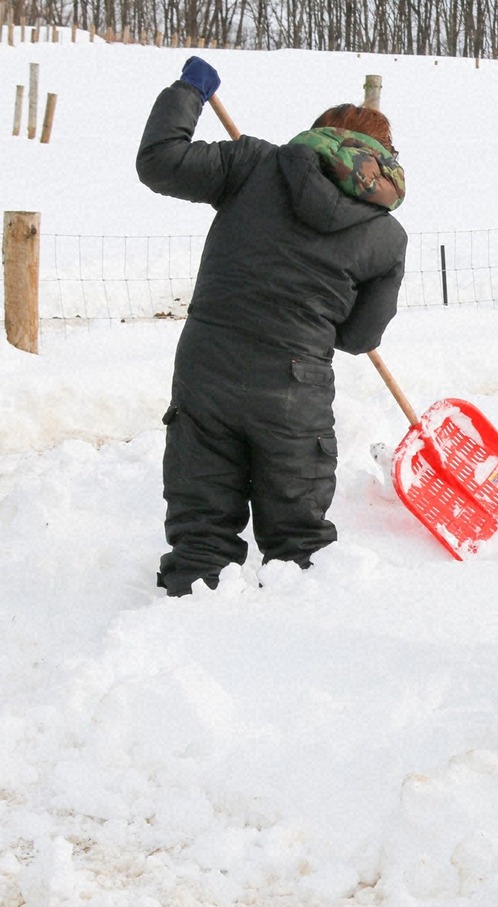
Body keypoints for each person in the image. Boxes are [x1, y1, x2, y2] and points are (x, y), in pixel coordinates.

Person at [136, 57, 407, 596]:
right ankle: (295, 654)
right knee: (299, 550)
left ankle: (187, 632)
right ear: (382, 163)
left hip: (206, 373)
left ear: (318, 135)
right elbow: (358, 339)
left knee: (201, 541)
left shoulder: (254, 163)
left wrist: (189, 91)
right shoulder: (386, 236)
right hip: (294, 390)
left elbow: (159, 161)